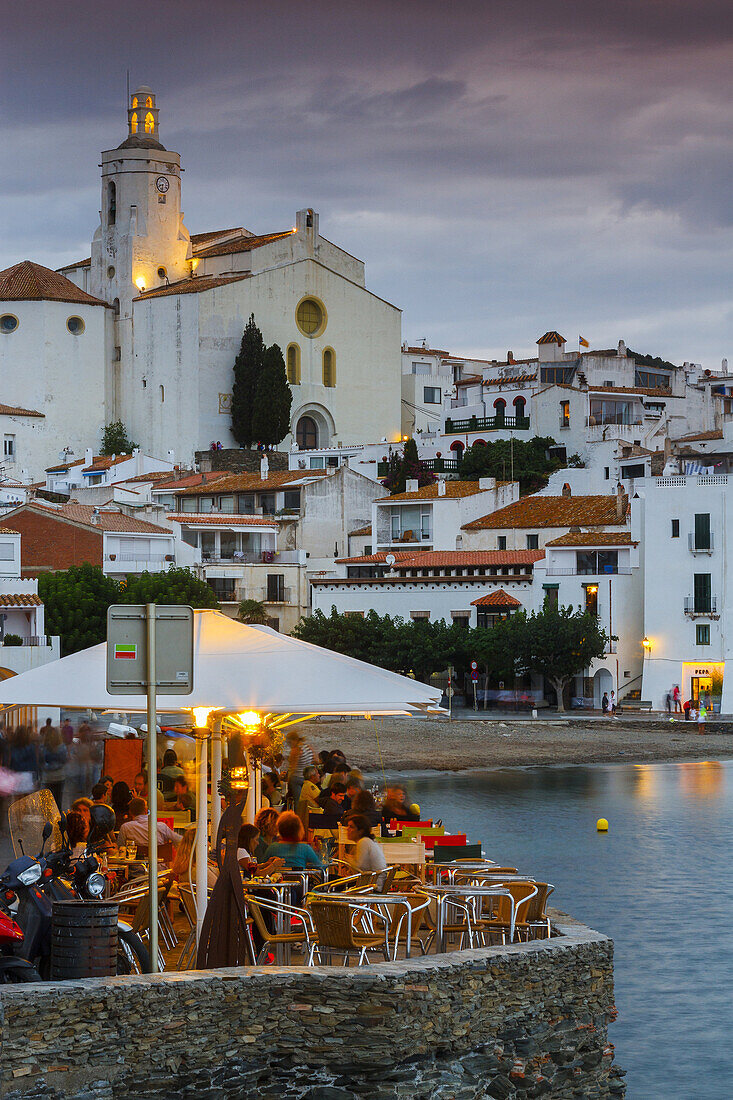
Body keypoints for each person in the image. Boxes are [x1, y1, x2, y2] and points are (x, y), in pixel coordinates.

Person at [118, 797, 183, 851]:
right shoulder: (161, 826)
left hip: (135, 866)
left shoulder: (125, 828)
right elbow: (180, 840)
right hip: (159, 865)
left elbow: (120, 848)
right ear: (146, 810)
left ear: (130, 812)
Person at [41, 722, 68, 811]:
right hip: (59, 776)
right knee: (58, 799)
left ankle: (48, 818)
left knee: (48, 800)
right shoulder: (62, 747)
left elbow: (42, 760)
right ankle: (58, 820)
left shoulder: (45, 747)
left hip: (48, 777)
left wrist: (47, 767)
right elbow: (64, 760)